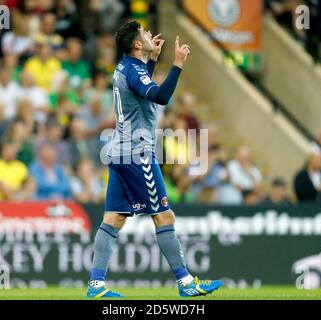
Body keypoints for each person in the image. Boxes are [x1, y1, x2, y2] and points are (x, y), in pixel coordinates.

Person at [86, 20, 222, 299]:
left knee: (113, 219)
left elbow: (140, 93)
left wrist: (152, 61)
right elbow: (159, 97)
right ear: (137, 44)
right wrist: (177, 65)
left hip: (120, 151)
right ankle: (186, 283)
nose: (150, 35)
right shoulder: (134, 70)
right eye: (145, 34)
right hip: (137, 153)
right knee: (164, 215)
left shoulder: (127, 67)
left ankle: (96, 286)